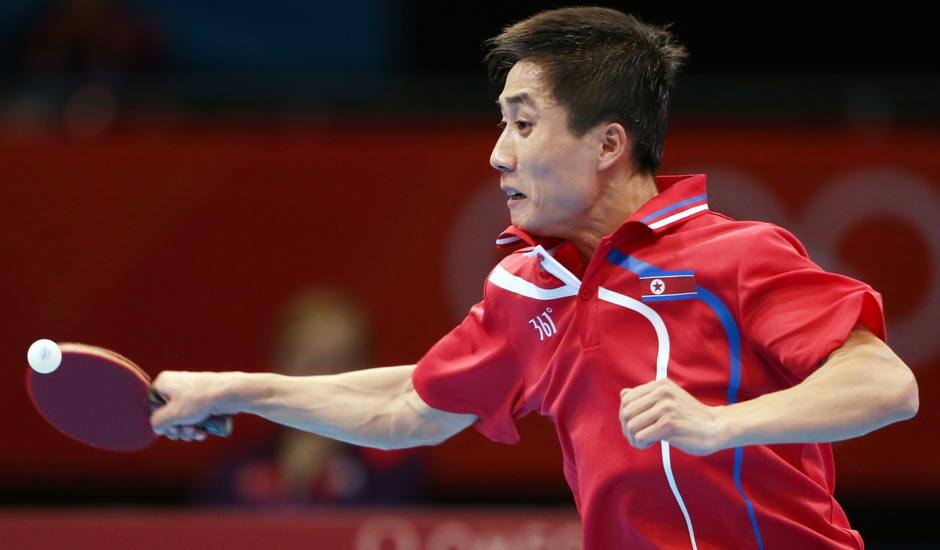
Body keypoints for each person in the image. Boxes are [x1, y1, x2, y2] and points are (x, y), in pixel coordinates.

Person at [150, 7, 919, 549]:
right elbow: (407, 404)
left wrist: (722, 425)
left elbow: (886, 386)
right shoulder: (526, 288)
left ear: (609, 143)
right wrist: (239, 389)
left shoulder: (737, 254)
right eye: (500, 123)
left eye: (523, 123)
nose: (498, 154)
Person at [196, 289, 427, 508]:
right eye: (311, 362)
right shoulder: (234, 472)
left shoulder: (397, 470)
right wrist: (291, 485)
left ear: (369, 369)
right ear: (277, 363)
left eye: (342, 361)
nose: (324, 377)